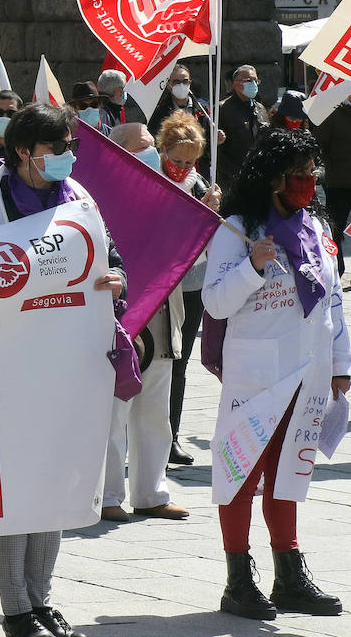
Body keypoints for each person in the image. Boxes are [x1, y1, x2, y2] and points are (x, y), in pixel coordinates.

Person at [0, 103, 126, 637]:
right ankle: (15, 609)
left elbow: (113, 257)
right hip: (3, 367)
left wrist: (117, 278)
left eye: (69, 147)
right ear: (24, 153)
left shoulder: (81, 200)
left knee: (53, 480)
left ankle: (42, 598)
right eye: (58, 150)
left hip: (67, 364)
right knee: (10, 486)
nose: (68, 158)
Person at [203, 129, 349, 621]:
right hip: (258, 374)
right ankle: (238, 580)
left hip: (310, 371)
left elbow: (333, 300)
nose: (308, 182)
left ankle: (290, 576)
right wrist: (251, 266)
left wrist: (342, 365)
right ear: (271, 178)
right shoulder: (237, 229)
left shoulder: (317, 229)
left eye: (313, 173)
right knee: (242, 472)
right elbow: (215, 301)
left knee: (290, 473)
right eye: (299, 174)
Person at [100, 123, 189, 523]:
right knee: (114, 412)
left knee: (155, 412)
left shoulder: (168, 197)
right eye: (142, 149)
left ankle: (151, 492)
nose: (152, 155)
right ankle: (106, 496)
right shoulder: (99, 204)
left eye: (153, 147)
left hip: (162, 316)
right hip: (123, 322)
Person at [153, 112, 221, 467]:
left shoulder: (200, 185)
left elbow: (212, 238)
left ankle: (172, 436)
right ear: (163, 151)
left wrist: (211, 213)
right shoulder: (149, 179)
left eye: (189, 161)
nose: (182, 167)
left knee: (179, 362)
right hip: (158, 280)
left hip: (192, 282)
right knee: (155, 361)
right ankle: (147, 436)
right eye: (176, 160)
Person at [146, 64, 221, 169]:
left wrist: (216, 140)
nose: (181, 85)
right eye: (176, 82)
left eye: (185, 81)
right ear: (168, 84)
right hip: (172, 168)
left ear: (190, 83)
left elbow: (207, 144)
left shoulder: (203, 110)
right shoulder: (159, 113)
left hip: (199, 168)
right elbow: (156, 143)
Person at [312, 94, 351, 277]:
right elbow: (319, 146)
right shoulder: (332, 113)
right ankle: (337, 269)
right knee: (336, 229)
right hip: (338, 184)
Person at [216, 65, 268, 190]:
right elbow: (214, 151)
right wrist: (237, 174)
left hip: (259, 177)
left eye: (256, 80)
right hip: (231, 181)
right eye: (248, 80)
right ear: (236, 84)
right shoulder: (222, 109)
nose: (254, 84)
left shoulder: (260, 108)